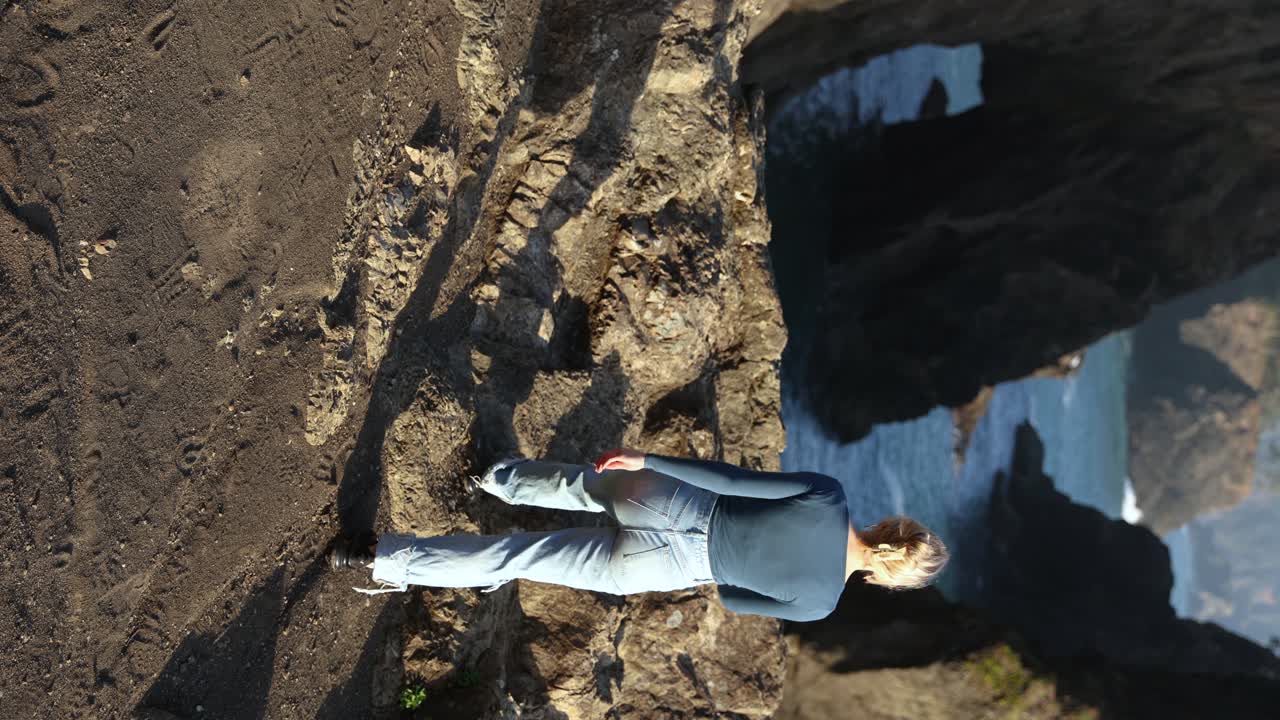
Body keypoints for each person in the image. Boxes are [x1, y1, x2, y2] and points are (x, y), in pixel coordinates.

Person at [329, 449, 949, 621]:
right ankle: (382, 557)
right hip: (661, 569)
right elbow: (732, 598)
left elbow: (731, 480)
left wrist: (648, 460)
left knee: (581, 485)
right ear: (890, 578)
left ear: (894, 527)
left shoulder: (829, 495)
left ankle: (493, 476)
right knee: (518, 556)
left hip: (678, 502)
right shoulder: (819, 606)